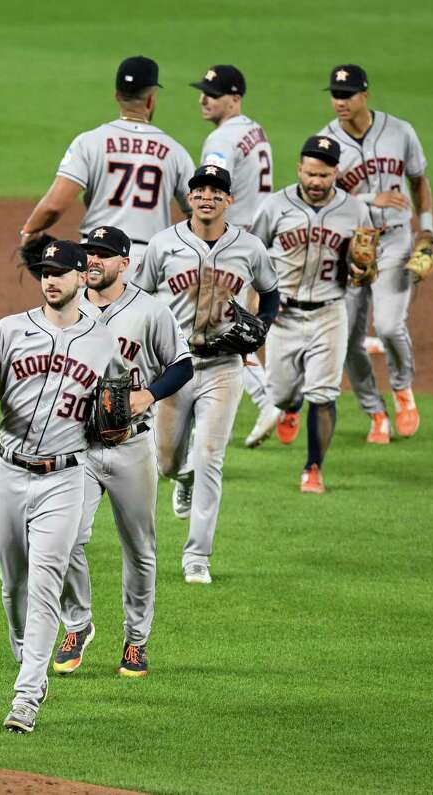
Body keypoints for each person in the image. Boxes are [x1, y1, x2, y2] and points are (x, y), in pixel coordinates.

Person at [0, 240, 121, 734]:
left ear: (80, 279)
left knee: (46, 583)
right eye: (45, 272)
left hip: (66, 478)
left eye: (60, 272)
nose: (50, 280)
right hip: (9, 473)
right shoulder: (8, 330)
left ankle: (27, 694)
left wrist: (122, 418)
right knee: (13, 586)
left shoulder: (102, 339)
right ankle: (30, 659)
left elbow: (116, 404)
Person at [53, 226, 192, 679]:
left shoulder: (150, 312)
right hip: (79, 446)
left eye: (103, 255)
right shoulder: (64, 311)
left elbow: (182, 365)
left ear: (124, 263)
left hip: (132, 444)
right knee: (67, 540)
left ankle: (136, 641)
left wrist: (148, 395)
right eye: (89, 253)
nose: (93, 261)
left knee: (140, 549)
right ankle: (77, 624)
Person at [133, 165, 279, 585]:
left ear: (228, 200)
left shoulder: (249, 247)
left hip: (224, 368)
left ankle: (197, 557)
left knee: (212, 457)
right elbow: (139, 297)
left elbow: (270, 292)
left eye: (216, 192)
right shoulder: (163, 244)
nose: (207, 197)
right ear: (190, 198)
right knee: (166, 462)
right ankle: (184, 478)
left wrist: (263, 327)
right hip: (175, 366)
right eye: (200, 191)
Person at [249, 135, 374, 493]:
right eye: (311, 173)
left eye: (324, 175)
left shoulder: (355, 211)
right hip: (283, 317)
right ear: (299, 170)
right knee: (283, 393)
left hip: (329, 312)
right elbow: (252, 255)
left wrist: (364, 269)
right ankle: (291, 407)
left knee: (324, 394)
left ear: (336, 172)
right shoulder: (275, 206)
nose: (316, 182)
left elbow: (364, 267)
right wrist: (258, 302)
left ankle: (313, 469)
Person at [318, 64, 433, 443]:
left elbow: (419, 181)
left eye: (348, 94)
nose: (341, 102)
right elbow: (321, 195)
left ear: (365, 94)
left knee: (388, 326)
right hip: (349, 246)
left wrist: (428, 229)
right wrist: (372, 198)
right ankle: (375, 412)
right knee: (348, 341)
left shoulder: (400, 131)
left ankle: (402, 390)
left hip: (396, 240)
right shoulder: (325, 142)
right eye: (336, 95)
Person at [19, 55, 195, 264]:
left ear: (117, 95)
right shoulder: (176, 152)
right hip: (149, 262)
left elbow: (54, 206)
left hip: (97, 256)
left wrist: (29, 231)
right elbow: (201, 213)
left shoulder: (89, 142)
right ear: (151, 99)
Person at [189, 64, 281, 449]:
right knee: (227, 331)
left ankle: (265, 399)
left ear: (235, 98)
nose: (203, 98)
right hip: (254, 242)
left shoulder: (222, 141)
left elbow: (212, 196)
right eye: (203, 91)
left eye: (212, 92)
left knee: (212, 333)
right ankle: (264, 400)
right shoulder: (255, 131)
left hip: (227, 245)